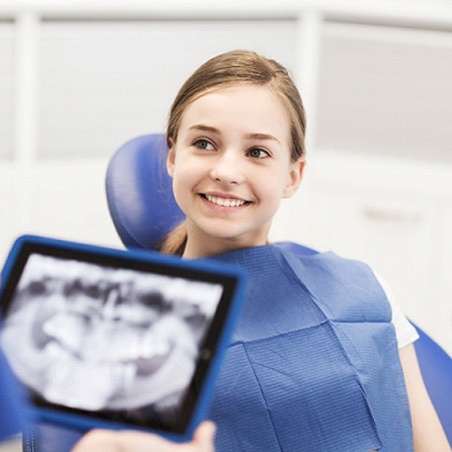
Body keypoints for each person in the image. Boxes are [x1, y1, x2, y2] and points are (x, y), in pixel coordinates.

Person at [155, 50, 449, 451]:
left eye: (257, 152)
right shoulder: (137, 324)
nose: (226, 171)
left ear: (293, 176)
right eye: (204, 143)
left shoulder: (361, 289)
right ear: (173, 156)